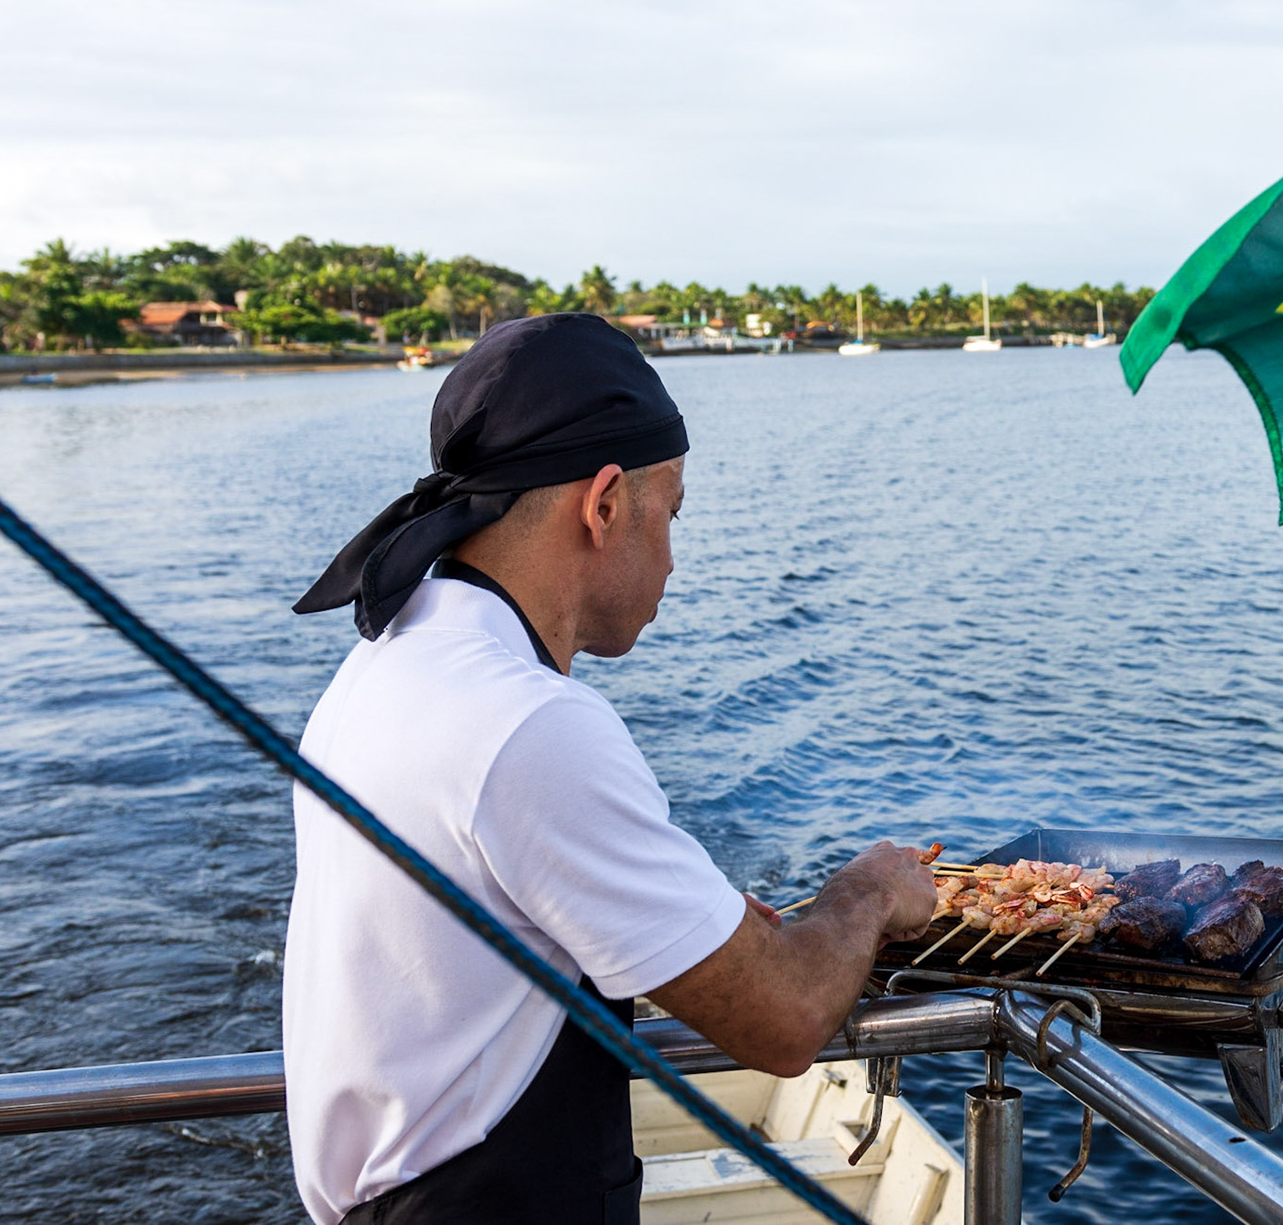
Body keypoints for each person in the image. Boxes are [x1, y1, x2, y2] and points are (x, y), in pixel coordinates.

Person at [281, 312, 936, 1225]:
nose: (673, 553)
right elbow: (784, 1021)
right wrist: (866, 892)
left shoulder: (394, 660)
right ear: (603, 506)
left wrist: (690, 927)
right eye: (670, 513)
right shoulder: (529, 724)